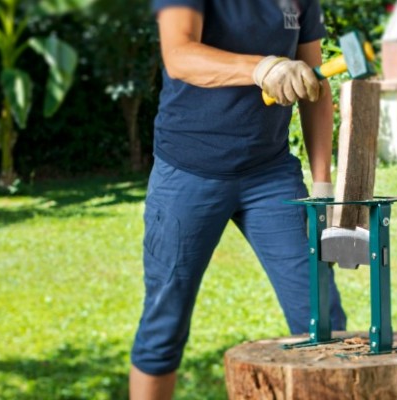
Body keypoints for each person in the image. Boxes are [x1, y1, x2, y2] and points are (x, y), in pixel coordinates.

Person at [129, 1, 347, 398]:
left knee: (323, 318)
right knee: (164, 325)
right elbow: (179, 54)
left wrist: (323, 187)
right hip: (188, 171)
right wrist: (263, 68)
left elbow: (315, 85)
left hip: (270, 173)